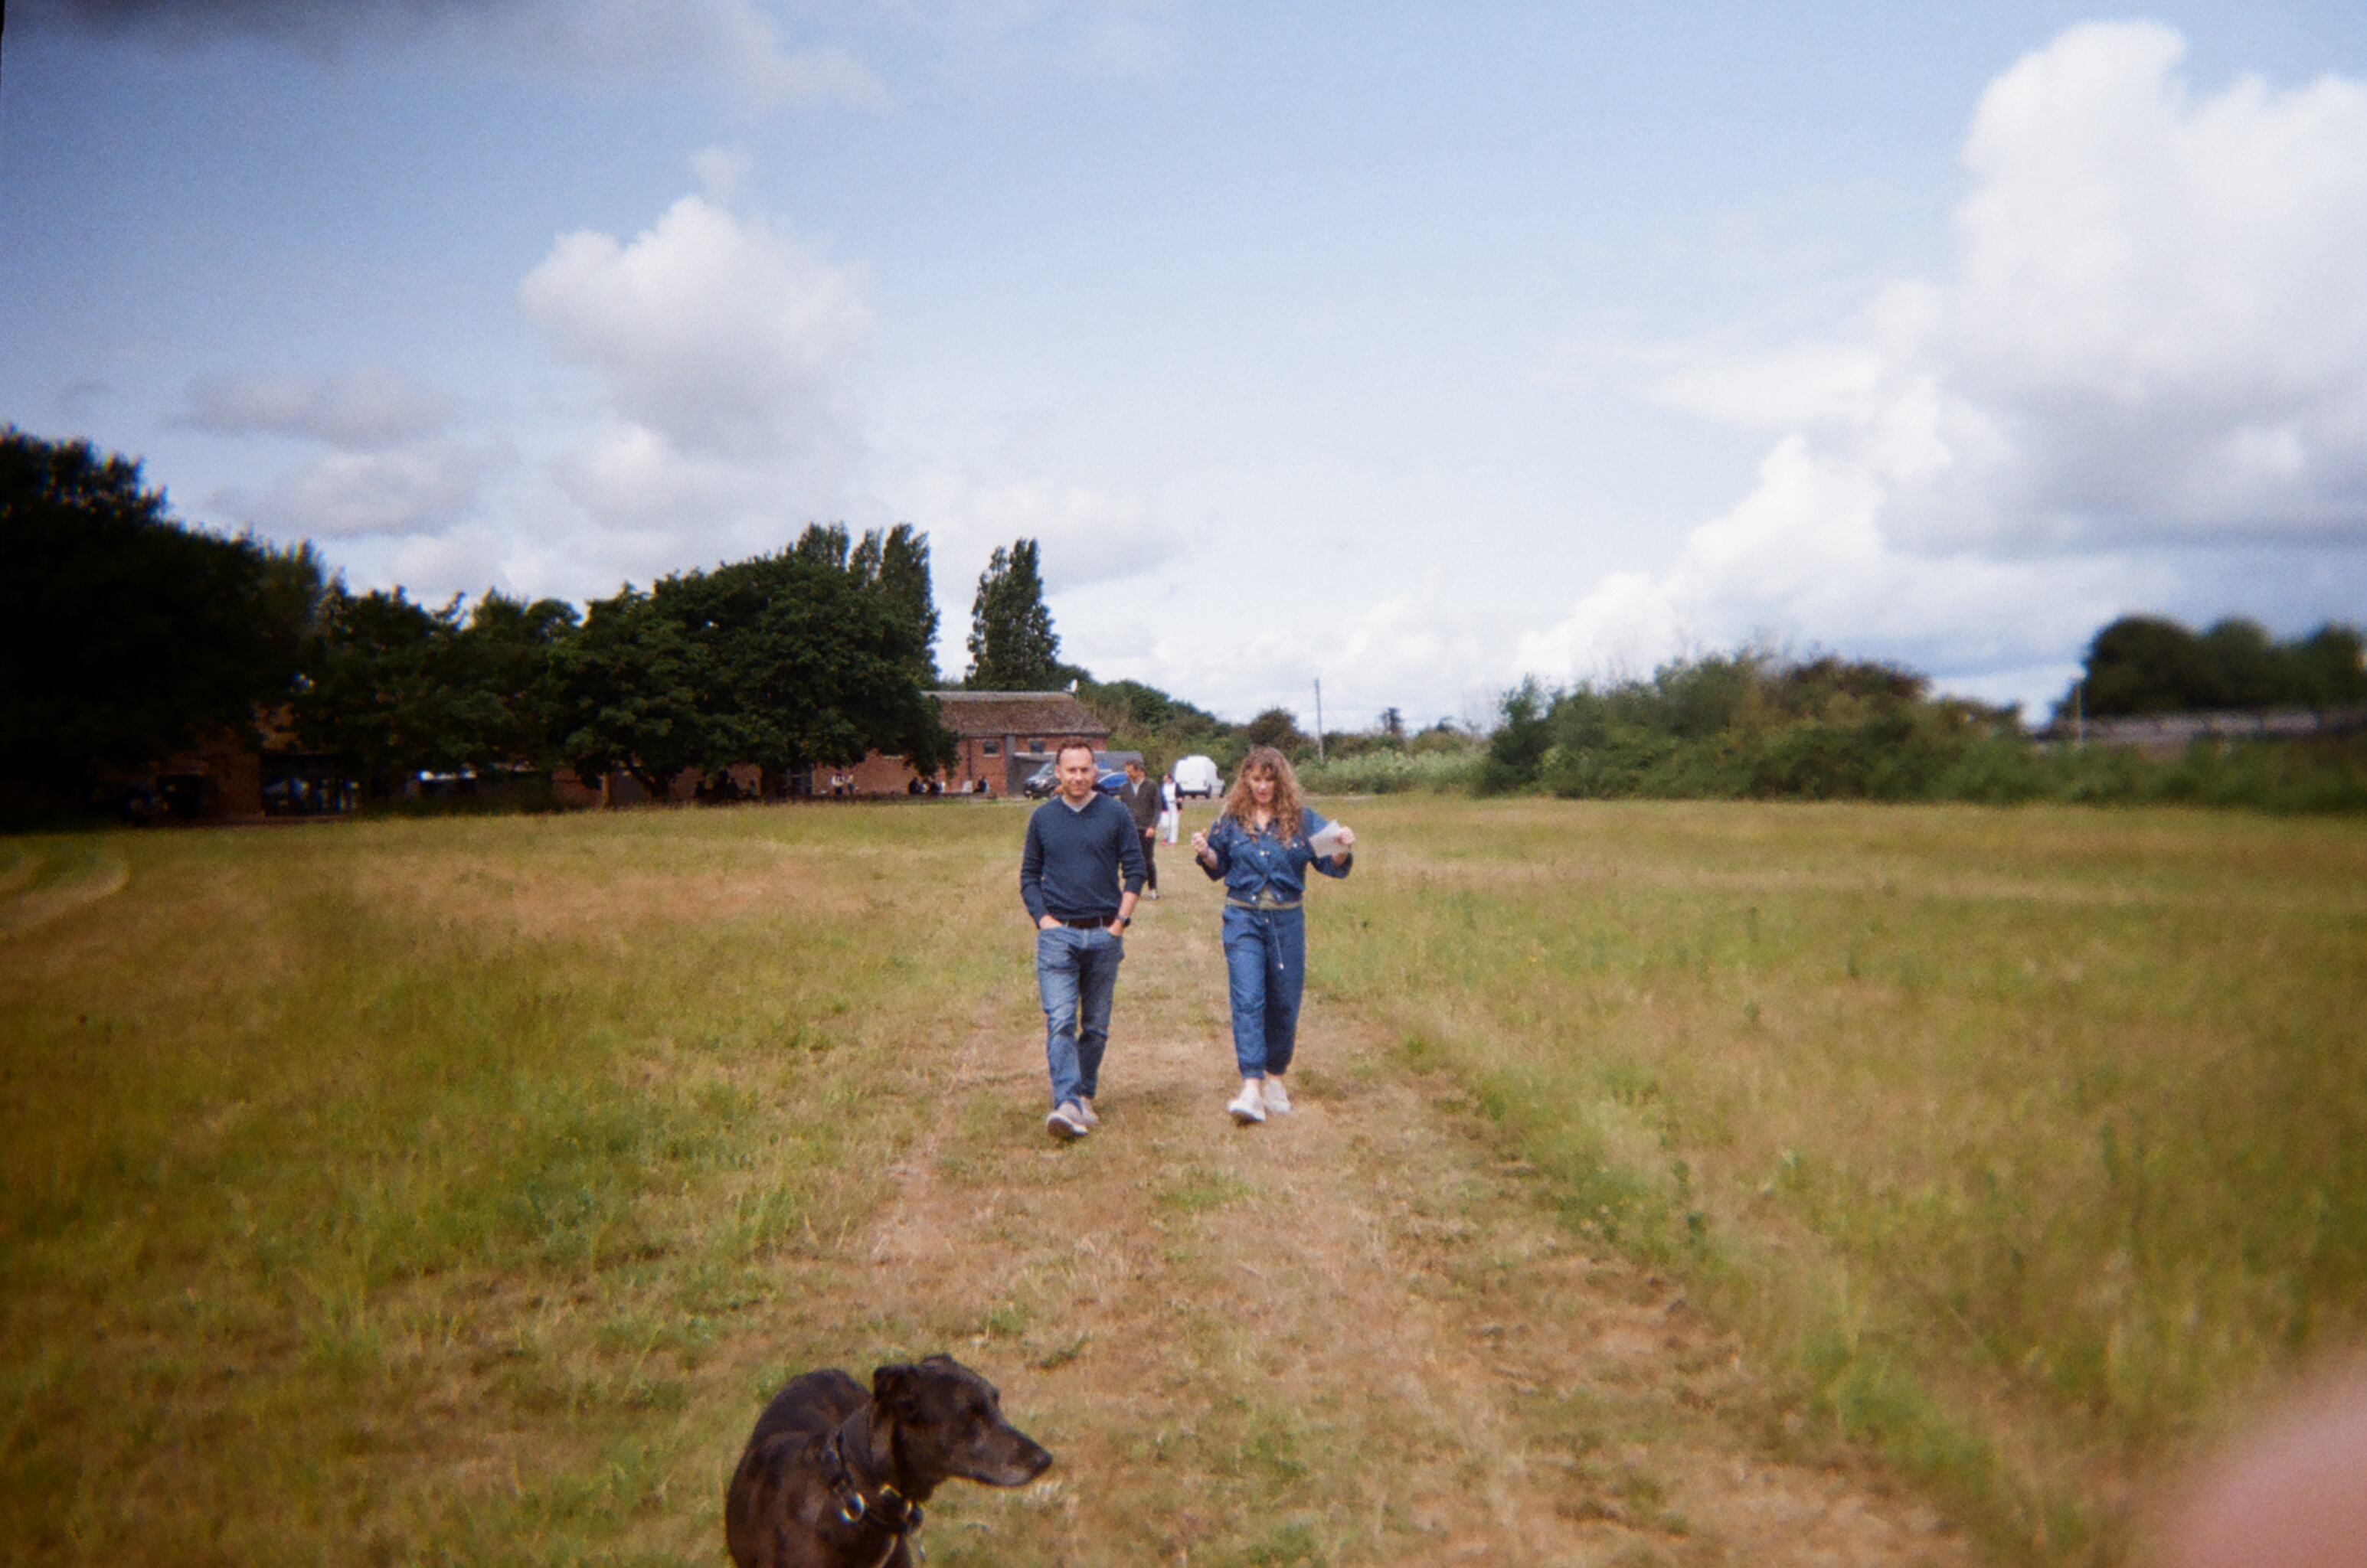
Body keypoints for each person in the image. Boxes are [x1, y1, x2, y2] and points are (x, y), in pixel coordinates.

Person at [1190, 746, 1354, 1125]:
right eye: (1256, 779)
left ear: (1281, 781)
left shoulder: (1303, 819)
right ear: (1246, 780)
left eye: (1270, 779)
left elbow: (1331, 863)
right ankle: (1250, 1085)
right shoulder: (1231, 819)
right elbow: (1218, 864)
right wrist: (1206, 853)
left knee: (1283, 1002)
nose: (1263, 787)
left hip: (1286, 921)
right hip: (1242, 917)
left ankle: (1275, 1077)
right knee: (1248, 998)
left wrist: (1343, 849)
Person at [1019, 740, 1146, 1140]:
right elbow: (1029, 876)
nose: (1077, 777)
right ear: (1057, 772)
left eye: (1085, 770)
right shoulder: (1043, 818)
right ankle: (1067, 1102)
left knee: (1094, 1026)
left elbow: (1136, 870)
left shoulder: (1116, 813)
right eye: (1070, 770)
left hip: (1104, 933)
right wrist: (1044, 920)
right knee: (1060, 1020)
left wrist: (1119, 924)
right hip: (1059, 937)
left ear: (1096, 771)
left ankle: (1083, 1095)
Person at [1117, 759, 1162, 900]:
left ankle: (1152, 889)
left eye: (1130, 771)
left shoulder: (1152, 786)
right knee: (1128, 860)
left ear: (1139, 770)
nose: (1127, 774)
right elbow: (1122, 810)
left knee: (1147, 860)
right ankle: (1130, 890)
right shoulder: (1124, 788)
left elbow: (1157, 808)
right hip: (1129, 829)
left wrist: (1152, 826)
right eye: (1126, 771)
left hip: (1146, 829)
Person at [1159, 772, 1181, 844]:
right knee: (1165, 824)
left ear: (1170, 778)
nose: (1164, 780)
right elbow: (1160, 796)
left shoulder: (1176, 786)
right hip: (1165, 806)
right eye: (1164, 778)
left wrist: (1179, 800)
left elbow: (1181, 795)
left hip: (1174, 805)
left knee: (1174, 824)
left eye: (1166, 778)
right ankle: (1166, 837)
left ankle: (1173, 841)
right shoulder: (1162, 786)